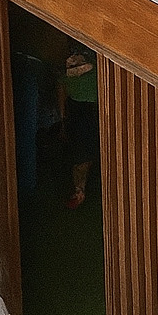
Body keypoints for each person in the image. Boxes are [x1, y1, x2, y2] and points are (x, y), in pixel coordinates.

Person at [58, 50, 98, 209]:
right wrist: (63, 118)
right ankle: (79, 189)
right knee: (81, 156)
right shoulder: (66, 76)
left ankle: (80, 189)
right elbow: (61, 91)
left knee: (85, 156)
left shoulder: (95, 70)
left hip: (90, 111)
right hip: (79, 112)